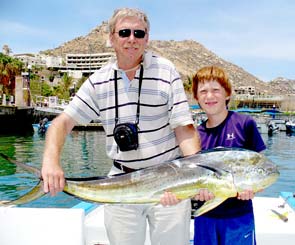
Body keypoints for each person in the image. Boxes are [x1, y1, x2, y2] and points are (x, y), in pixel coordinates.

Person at [41, 8, 202, 245]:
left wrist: (196, 176)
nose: (131, 39)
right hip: (121, 182)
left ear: (147, 38)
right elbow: (61, 123)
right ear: (111, 37)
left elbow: (184, 129)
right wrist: (50, 162)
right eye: (124, 32)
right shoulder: (98, 81)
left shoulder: (166, 71)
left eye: (139, 33)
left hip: (168, 179)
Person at [192, 66, 266, 245]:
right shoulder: (195, 135)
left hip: (238, 218)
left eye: (216, 90)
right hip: (205, 217)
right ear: (196, 98)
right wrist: (195, 194)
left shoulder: (245, 124)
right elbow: (192, 178)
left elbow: (264, 169)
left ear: (227, 94)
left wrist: (253, 190)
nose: (209, 96)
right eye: (203, 91)